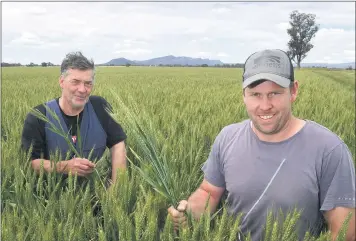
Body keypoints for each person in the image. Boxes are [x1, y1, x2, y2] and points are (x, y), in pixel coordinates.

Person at [168, 49, 355, 241]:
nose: (265, 105)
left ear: (293, 91)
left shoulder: (329, 148)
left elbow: (344, 232)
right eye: (256, 94)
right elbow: (209, 192)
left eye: (275, 93)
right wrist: (188, 212)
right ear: (244, 95)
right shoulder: (227, 137)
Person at [21, 51, 127, 185]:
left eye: (88, 83)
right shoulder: (38, 116)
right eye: (75, 82)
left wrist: (117, 188)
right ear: (61, 81)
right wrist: (64, 167)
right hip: (53, 199)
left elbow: (118, 144)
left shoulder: (99, 107)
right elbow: (32, 162)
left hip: (98, 196)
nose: (82, 89)